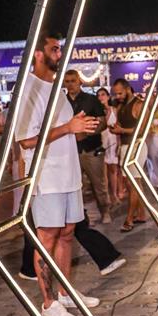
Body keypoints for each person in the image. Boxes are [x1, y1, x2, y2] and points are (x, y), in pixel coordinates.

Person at [15, 30, 101, 316]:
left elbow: (64, 129)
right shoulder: (28, 89)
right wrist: (67, 128)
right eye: (54, 49)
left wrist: (80, 127)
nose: (59, 54)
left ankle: (65, 293)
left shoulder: (57, 88)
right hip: (47, 177)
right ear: (38, 54)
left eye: (60, 49)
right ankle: (48, 302)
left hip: (69, 174)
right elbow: (26, 140)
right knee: (47, 238)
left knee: (67, 233)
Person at [63, 70, 111, 224]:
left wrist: (87, 132)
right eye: (67, 81)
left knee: (99, 184)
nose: (70, 84)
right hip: (71, 151)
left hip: (92, 148)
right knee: (77, 187)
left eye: (73, 80)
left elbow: (103, 123)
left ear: (80, 81)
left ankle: (105, 211)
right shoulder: (62, 103)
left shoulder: (91, 100)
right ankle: (83, 218)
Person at [110, 78, 148, 232]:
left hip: (137, 146)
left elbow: (142, 129)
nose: (118, 96)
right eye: (116, 94)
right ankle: (142, 214)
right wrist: (117, 130)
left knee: (134, 184)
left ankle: (129, 218)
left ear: (127, 89)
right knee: (133, 184)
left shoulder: (139, 104)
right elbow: (121, 126)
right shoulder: (121, 106)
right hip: (125, 146)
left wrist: (122, 130)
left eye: (120, 93)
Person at [97, 86, 121, 207]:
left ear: (108, 97)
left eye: (103, 94)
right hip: (101, 141)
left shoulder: (114, 110)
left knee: (113, 169)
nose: (100, 97)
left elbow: (118, 126)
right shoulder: (96, 111)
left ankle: (114, 195)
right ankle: (106, 198)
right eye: (98, 95)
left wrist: (119, 143)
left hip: (113, 141)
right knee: (103, 172)